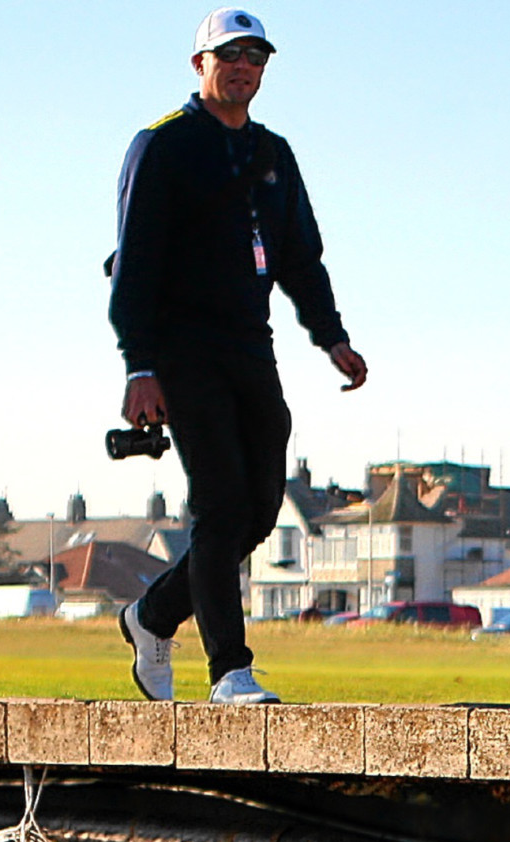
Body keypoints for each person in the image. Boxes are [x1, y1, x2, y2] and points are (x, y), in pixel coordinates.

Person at [109, 8, 367, 706]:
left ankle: (153, 614)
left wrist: (332, 335)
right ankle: (230, 669)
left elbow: (299, 257)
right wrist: (139, 366)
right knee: (219, 504)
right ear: (201, 64)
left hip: (252, 346)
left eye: (256, 57)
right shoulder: (161, 145)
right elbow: (134, 265)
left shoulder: (273, 153)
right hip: (181, 349)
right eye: (230, 55)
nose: (244, 67)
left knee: (257, 510)